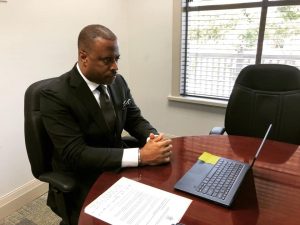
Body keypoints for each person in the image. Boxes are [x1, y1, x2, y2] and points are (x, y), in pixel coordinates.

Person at [40, 24, 172, 225]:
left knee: (159, 203)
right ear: (84, 57)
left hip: (117, 164)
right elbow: (76, 153)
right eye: (107, 60)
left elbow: (133, 117)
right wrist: (140, 155)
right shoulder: (55, 95)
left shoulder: (117, 83)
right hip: (83, 178)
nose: (115, 67)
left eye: (117, 59)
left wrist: (153, 138)